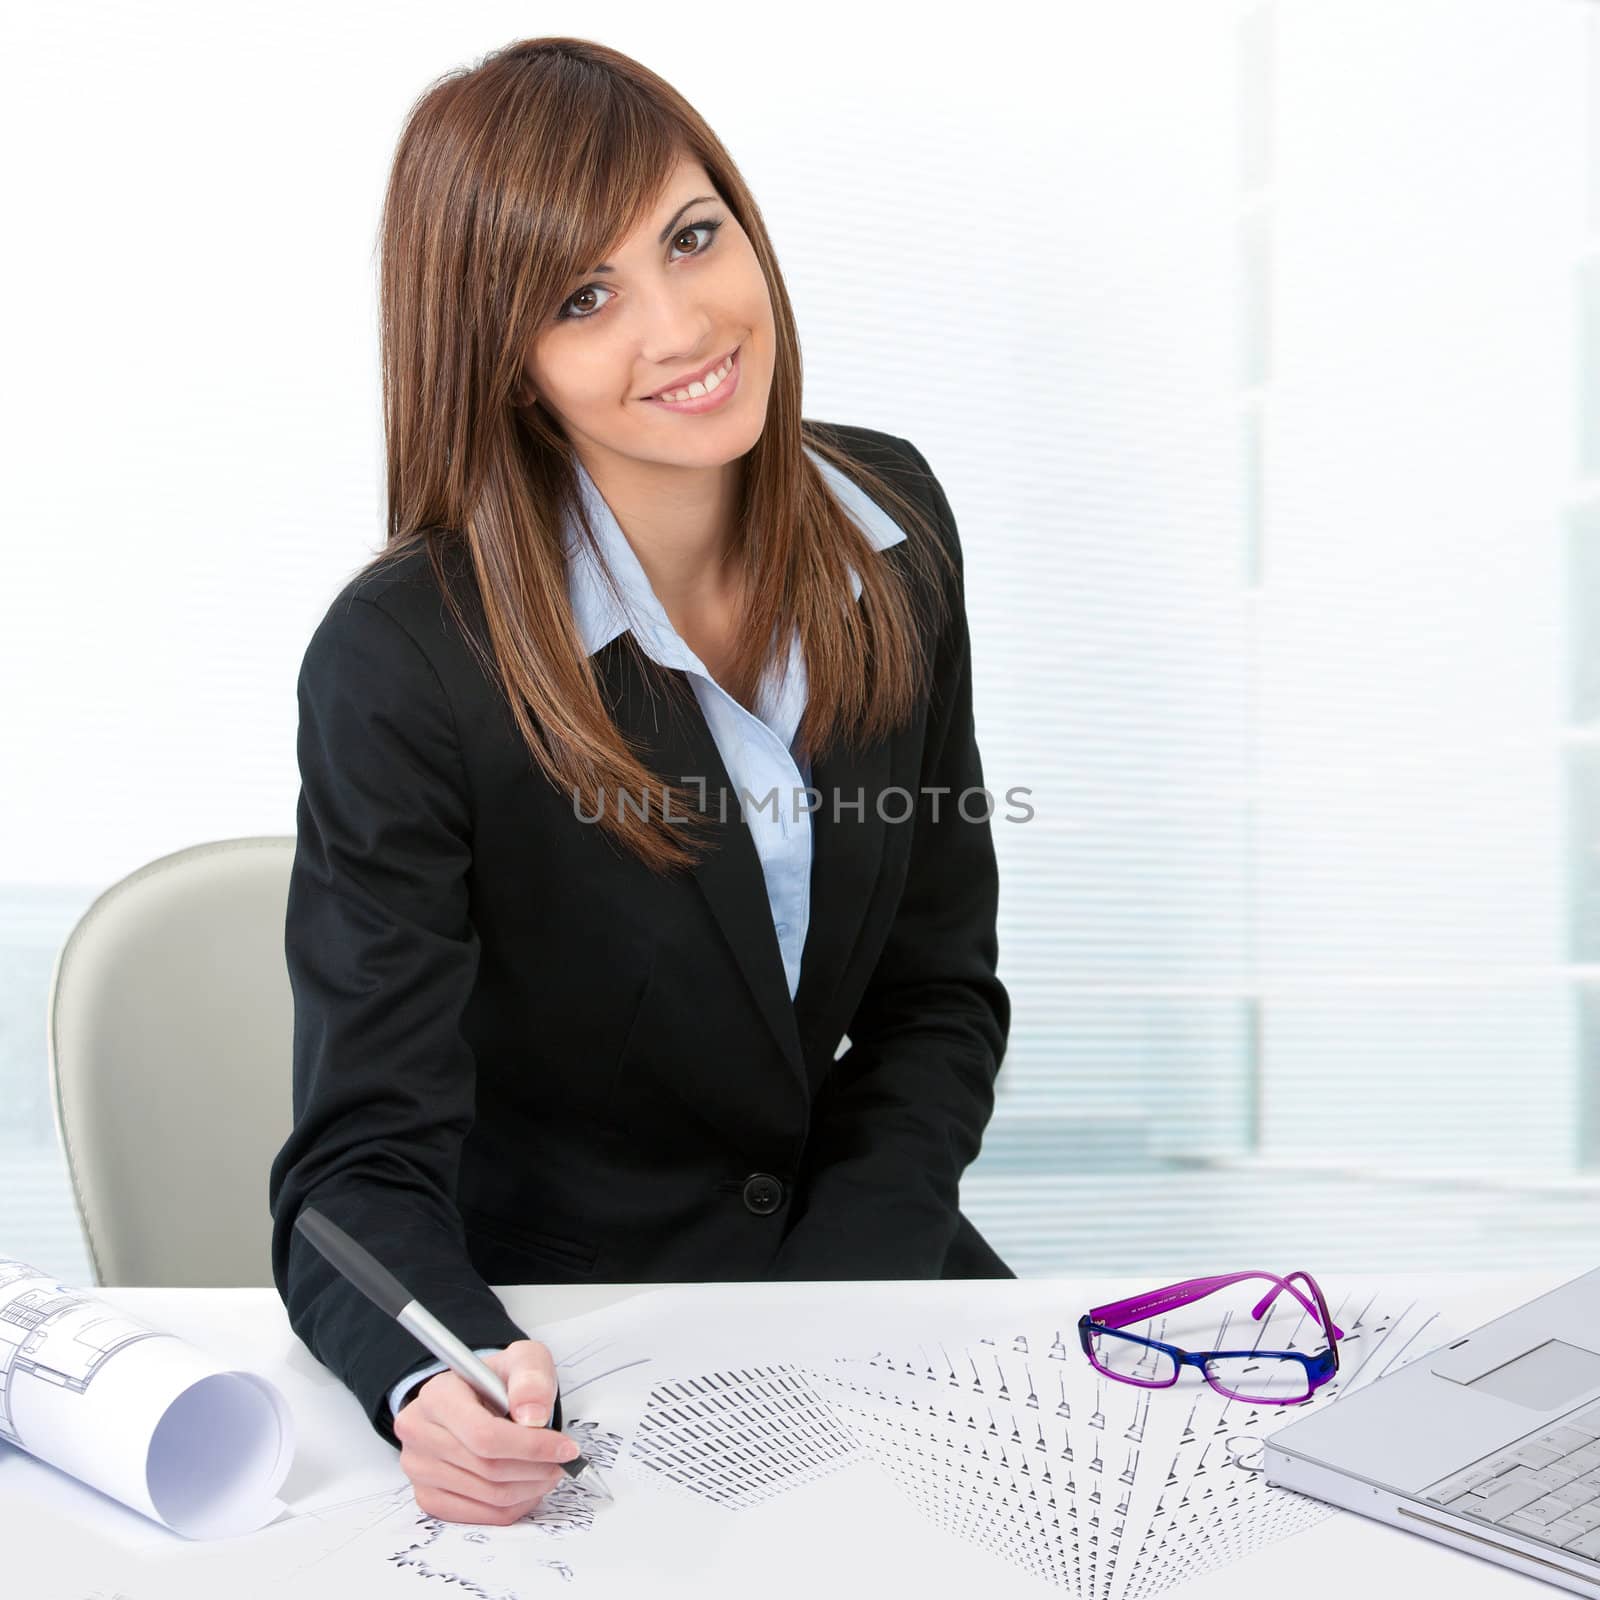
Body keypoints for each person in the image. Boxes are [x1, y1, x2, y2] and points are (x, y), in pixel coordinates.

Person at [267, 35, 1012, 1529]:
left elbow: (939, 993)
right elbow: (351, 1171)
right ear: (507, 359)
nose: (681, 326)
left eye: (692, 236)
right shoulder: (406, 658)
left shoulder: (894, 526)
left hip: (859, 1276)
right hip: (568, 1330)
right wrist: (437, 1373)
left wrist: (828, 1302)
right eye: (583, 297)